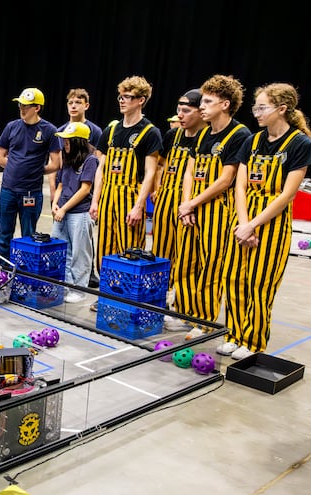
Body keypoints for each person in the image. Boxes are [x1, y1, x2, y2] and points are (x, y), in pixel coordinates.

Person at [221, 83, 311, 359]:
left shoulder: (299, 144)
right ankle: (234, 334)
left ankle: (253, 343)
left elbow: (287, 195)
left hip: (271, 223)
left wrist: (254, 225)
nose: (257, 113)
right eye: (256, 107)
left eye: (262, 107)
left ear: (282, 109)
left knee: (259, 284)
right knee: (234, 278)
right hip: (242, 220)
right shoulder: (252, 141)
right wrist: (243, 223)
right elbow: (240, 186)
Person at [175, 74, 251, 339]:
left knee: (210, 267)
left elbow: (226, 179)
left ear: (225, 104)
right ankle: (186, 313)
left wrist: (193, 203)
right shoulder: (205, 132)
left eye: (208, 101)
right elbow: (189, 170)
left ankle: (205, 322)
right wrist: (187, 204)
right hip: (193, 208)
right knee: (186, 263)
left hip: (217, 211)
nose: (202, 106)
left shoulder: (240, 135)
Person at [89, 76, 162, 301]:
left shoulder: (150, 132)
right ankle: (109, 296)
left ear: (141, 100)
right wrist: (95, 201)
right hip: (108, 197)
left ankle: (129, 300)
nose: (122, 101)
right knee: (105, 251)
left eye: (128, 97)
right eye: (121, 96)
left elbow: (150, 172)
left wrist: (140, 206)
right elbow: (101, 168)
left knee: (129, 251)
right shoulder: (111, 130)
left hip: (130, 197)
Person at [151, 89, 208, 329]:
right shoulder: (172, 135)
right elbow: (159, 165)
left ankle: (184, 309)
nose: (180, 115)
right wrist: (156, 188)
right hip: (166, 199)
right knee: (160, 252)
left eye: (186, 110)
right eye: (179, 110)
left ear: (200, 112)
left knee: (187, 258)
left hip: (190, 203)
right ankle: (159, 301)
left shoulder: (207, 138)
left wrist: (189, 204)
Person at [0, 87, 62, 263]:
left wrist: (37, 171)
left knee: (28, 235)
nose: (22, 109)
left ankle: (27, 272)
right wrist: (15, 168)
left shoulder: (49, 130)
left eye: (26, 106)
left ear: (37, 108)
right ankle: (2, 271)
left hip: (31, 192)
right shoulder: (12, 127)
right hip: (8, 190)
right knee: (4, 234)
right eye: (20, 105)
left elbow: (56, 163)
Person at [51, 122, 99, 303]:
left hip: (79, 212)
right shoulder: (67, 158)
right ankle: (65, 285)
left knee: (80, 252)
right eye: (64, 141)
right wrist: (55, 204)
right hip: (62, 211)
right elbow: (61, 184)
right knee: (62, 249)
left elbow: (85, 189)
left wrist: (64, 208)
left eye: (68, 141)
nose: (65, 144)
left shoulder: (90, 160)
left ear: (79, 141)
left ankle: (78, 289)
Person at [49, 88, 103, 200]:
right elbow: (54, 162)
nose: (73, 106)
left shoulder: (95, 131)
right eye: (70, 103)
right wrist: (53, 192)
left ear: (86, 106)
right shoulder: (60, 131)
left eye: (78, 102)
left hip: (85, 187)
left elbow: (99, 162)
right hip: (63, 187)